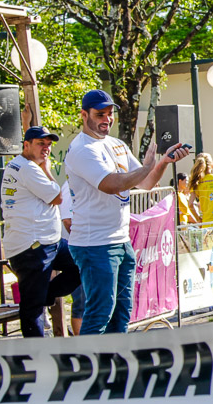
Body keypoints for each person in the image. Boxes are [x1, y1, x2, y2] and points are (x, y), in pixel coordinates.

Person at [66, 90, 190, 335]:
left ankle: (116, 366)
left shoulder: (116, 144)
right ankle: (88, 368)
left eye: (110, 114)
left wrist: (163, 162)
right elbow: (113, 184)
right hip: (95, 244)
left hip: (121, 240)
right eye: (99, 114)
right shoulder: (82, 149)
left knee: (122, 311)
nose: (107, 119)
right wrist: (146, 167)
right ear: (84, 115)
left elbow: (145, 183)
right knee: (101, 312)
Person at [1, 126, 81, 338]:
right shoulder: (28, 168)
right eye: (40, 144)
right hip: (33, 247)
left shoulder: (20, 165)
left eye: (48, 145)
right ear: (26, 145)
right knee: (33, 307)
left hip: (46, 243)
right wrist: (46, 168)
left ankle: (45, 293)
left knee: (82, 261)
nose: (46, 148)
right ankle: (36, 355)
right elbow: (57, 198)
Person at [58, 181, 84, 335]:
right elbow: (67, 220)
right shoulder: (70, 185)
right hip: (76, 249)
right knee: (82, 301)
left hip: (87, 248)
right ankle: (82, 345)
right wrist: (81, 242)